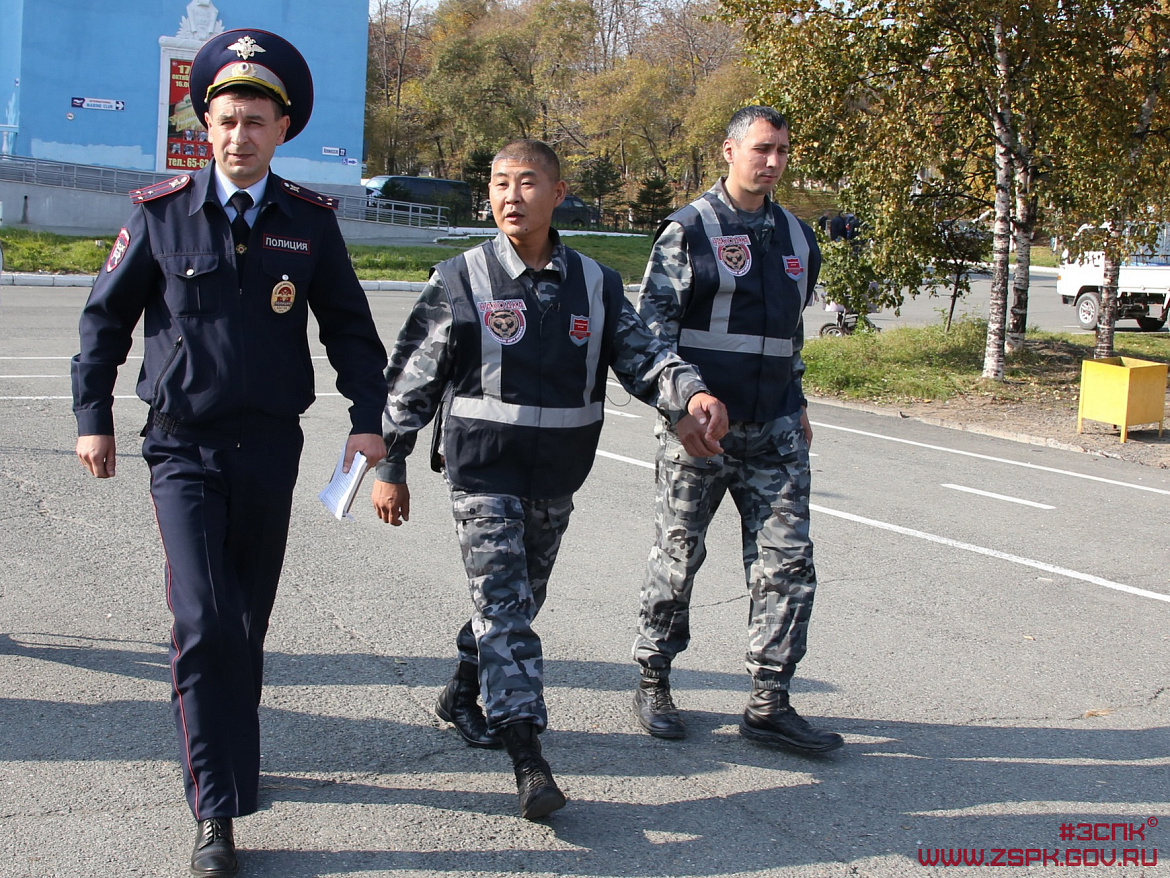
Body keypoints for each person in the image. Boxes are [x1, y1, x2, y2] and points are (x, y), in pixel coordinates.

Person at [71, 29, 388, 878]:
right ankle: (215, 810)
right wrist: (90, 416)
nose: (239, 135)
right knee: (203, 621)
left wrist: (369, 420)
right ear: (201, 126)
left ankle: (233, 767)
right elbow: (104, 321)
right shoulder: (159, 211)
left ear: (281, 129)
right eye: (224, 119)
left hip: (270, 451)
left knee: (245, 625)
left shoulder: (309, 224)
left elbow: (353, 332)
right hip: (181, 448)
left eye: (255, 120)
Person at [371, 139, 727, 819]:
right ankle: (528, 755)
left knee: (518, 601)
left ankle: (460, 690)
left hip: (557, 476)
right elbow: (409, 381)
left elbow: (644, 355)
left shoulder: (594, 283)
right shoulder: (462, 277)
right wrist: (392, 463)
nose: (510, 195)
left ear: (557, 194)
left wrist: (690, 395)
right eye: (499, 183)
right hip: (482, 472)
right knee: (506, 609)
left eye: (527, 182)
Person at [630, 105, 844, 755]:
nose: (772, 161)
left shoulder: (797, 238)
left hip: (775, 431)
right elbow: (649, 341)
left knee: (788, 565)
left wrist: (798, 397)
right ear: (729, 151)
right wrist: (682, 405)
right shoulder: (688, 231)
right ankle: (654, 677)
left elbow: (789, 334)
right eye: (761, 149)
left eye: (781, 149)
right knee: (678, 558)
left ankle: (768, 701)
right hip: (700, 432)